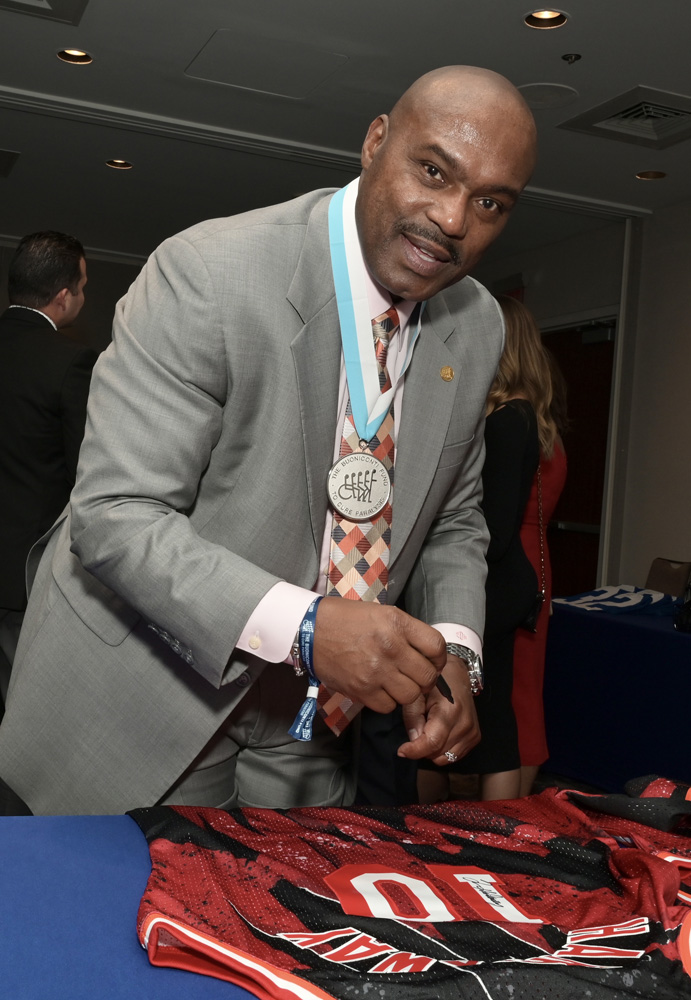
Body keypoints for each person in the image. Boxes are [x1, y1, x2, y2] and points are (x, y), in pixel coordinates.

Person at [0, 66, 537, 816]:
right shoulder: (209, 273)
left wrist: (452, 645)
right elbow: (115, 516)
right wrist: (310, 627)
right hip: (147, 695)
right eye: (431, 170)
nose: (452, 219)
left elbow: (453, 516)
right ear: (375, 141)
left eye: (488, 202)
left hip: (309, 725)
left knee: (277, 925)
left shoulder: (476, 325)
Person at [419, 293, 554, 803]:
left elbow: (490, 527)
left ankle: (440, 821)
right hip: (507, 580)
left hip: (491, 584)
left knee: (469, 710)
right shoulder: (524, 415)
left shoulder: (503, 421)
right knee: (492, 713)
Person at [0, 231, 94, 706]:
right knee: (23, 717)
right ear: (63, 297)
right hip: (24, 577)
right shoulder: (71, 362)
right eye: (82, 286)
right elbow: (88, 475)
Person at [512, 342, 568, 796]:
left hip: (512, 561)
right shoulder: (549, 431)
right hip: (540, 560)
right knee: (526, 688)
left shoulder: (511, 424)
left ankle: (510, 804)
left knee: (513, 691)